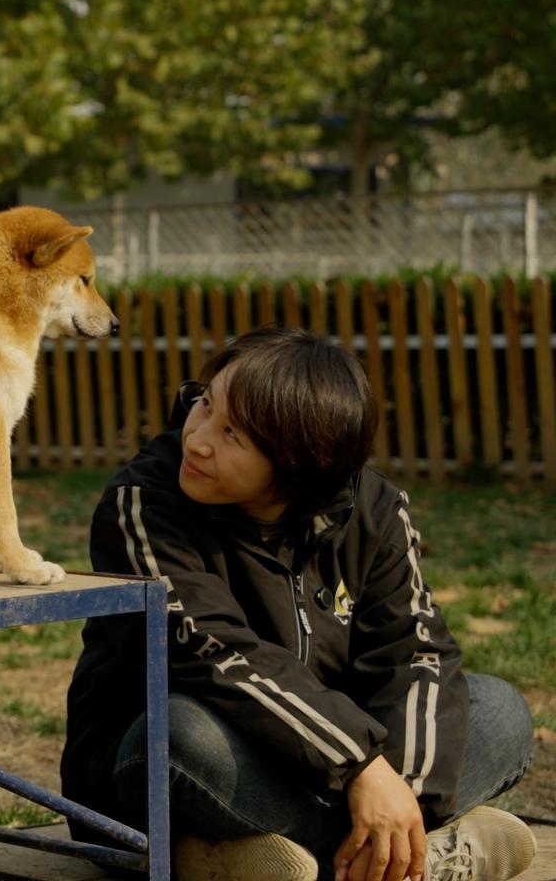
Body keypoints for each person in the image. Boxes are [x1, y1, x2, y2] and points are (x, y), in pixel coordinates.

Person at [61, 327, 536, 881]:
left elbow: (415, 654)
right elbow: (214, 654)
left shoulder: (375, 511)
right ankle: (424, 862)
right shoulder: (142, 503)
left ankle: (300, 857)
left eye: (232, 434)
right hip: (174, 764)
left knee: (500, 711)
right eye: (205, 404)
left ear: (296, 464)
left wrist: (395, 790)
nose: (197, 438)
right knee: (178, 736)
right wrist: (356, 764)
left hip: (316, 767)